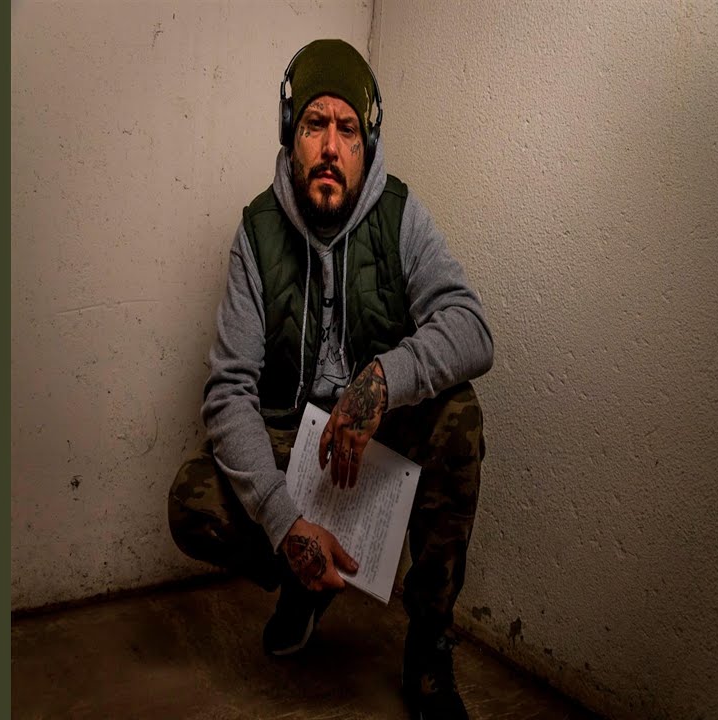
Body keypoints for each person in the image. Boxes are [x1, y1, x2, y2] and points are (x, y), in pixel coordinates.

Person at [168, 38, 493, 720]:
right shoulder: (257, 233)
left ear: (367, 144)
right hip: (297, 449)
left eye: (347, 129)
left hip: (375, 442)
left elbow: (470, 327)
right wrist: (284, 522)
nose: (329, 147)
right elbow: (228, 391)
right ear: (290, 135)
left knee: (459, 415)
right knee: (193, 501)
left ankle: (429, 644)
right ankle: (302, 577)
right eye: (315, 124)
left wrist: (382, 379)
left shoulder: (401, 216)